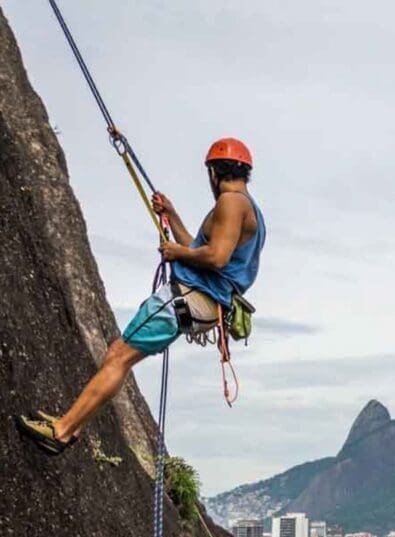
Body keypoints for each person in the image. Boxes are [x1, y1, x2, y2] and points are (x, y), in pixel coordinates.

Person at [16, 138, 266, 455]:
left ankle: (63, 430)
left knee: (118, 356)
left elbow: (215, 257)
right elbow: (201, 250)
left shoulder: (231, 202)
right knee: (119, 356)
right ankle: (71, 425)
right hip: (202, 303)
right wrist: (172, 216)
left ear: (214, 172)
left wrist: (176, 252)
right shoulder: (248, 208)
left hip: (186, 297)